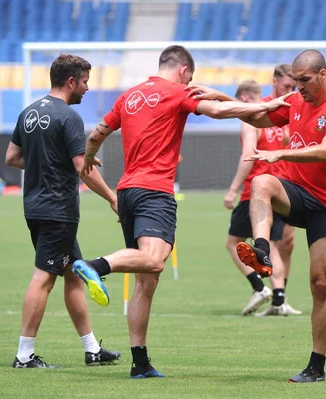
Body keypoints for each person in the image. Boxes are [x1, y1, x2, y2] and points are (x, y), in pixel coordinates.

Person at [72, 45, 292, 378]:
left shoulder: (128, 96)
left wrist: (88, 158)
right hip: (154, 192)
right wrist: (265, 105)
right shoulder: (178, 92)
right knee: (155, 259)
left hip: (128, 191)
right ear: (184, 72)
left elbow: (97, 135)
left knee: (147, 282)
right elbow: (218, 112)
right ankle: (95, 265)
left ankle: (140, 362)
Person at [195, 50, 326, 382]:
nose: (298, 88)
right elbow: (257, 118)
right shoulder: (294, 101)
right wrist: (222, 98)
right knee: (262, 182)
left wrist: (281, 152)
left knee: (321, 285)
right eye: (295, 81)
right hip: (297, 195)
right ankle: (261, 250)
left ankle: (316, 367)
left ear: (323, 75)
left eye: (305, 80)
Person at [5, 54, 121, 368]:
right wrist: (113, 198)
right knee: (44, 278)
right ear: (71, 81)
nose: (86, 88)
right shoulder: (69, 117)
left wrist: (47, 159)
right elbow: (82, 168)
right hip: (59, 210)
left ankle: (93, 349)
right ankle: (24, 354)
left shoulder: (28, 112)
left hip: (35, 207)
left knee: (73, 276)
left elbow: (12, 157)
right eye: (84, 82)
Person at [224, 79, 300, 316]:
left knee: (232, 241)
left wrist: (233, 189)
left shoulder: (253, 121)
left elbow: (249, 154)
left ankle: (259, 288)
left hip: (255, 192)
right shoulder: (278, 122)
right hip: (280, 190)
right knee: (274, 247)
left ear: (244, 99)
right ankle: (279, 299)